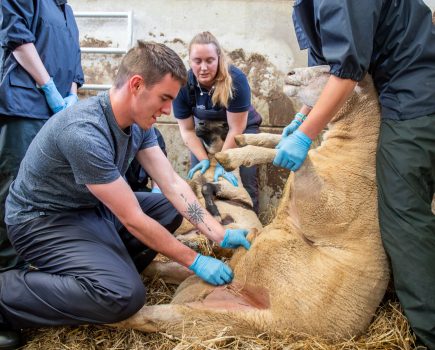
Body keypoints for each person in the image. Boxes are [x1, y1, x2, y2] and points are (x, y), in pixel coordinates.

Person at [0, 41, 251, 349]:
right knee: (124, 296)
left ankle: (110, 264)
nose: (168, 110)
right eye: (164, 98)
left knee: (166, 207)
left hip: (88, 209)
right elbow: (131, 218)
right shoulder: (84, 132)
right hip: (42, 221)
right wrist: (195, 260)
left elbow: (171, 183)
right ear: (136, 85)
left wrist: (218, 233)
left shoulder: (138, 122)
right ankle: (5, 292)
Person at [277, 1, 435, 348]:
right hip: (399, 94)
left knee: (403, 216)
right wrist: (301, 119)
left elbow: (347, 72)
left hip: (414, 98)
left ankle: (431, 334)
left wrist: (305, 135)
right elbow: (327, 69)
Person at [0, 0, 84, 278]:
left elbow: (74, 62)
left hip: (57, 113)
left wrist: (71, 95)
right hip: (23, 106)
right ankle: (8, 272)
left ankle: (35, 261)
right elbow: (17, 38)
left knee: (48, 189)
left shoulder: (66, 10)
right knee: (14, 186)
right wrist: (47, 86)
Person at [172, 31, 262, 213]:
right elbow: (187, 130)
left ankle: (251, 226)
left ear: (219, 59)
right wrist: (205, 159)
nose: (203, 67)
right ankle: (206, 229)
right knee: (200, 179)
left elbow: (237, 127)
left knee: (244, 179)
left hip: (241, 130)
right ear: (190, 61)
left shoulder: (236, 79)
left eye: (209, 60)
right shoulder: (183, 84)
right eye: (197, 61)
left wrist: (223, 162)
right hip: (206, 133)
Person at [125, 127, 167, 193]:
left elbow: (159, 173)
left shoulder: (154, 134)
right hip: (118, 188)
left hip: (140, 188)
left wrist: (156, 191)